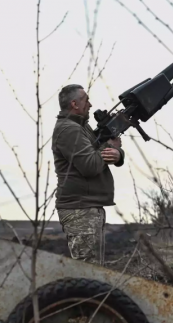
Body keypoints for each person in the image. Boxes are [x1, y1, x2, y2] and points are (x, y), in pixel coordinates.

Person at [52, 84, 124, 265]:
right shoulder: (69, 129)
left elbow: (101, 153)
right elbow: (90, 165)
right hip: (80, 209)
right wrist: (111, 146)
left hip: (87, 207)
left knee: (93, 270)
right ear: (74, 104)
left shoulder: (82, 127)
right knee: (88, 270)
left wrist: (118, 154)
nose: (90, 105)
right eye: (86, 100)